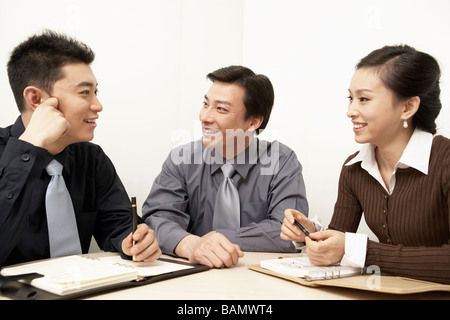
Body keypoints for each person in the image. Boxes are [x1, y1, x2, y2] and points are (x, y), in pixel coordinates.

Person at [281, 45, 450, 284]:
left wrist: (361, 250)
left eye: (364, 99)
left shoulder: (445, 160)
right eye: (351, 98)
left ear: (408, 107)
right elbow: (340, 242)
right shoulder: (354, 168)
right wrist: (312, 235)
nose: (350, 111)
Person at [0, 30, 161, 267]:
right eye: (84, 92)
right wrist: (30, 146)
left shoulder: (91, 158)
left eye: (96, 92)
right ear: (36, 99)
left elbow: (118, 224)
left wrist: (133, 240)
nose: (98, 105)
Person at [143, 66, 309, 268]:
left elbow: (289, 233)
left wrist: (217, 237)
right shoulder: (182, 159)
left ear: (254, 121)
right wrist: (192, 245)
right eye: (206, 104)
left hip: (257, 277)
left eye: (220, 109)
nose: (205, 117)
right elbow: (157, 220)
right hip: (193, 275)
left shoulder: (281, 161)